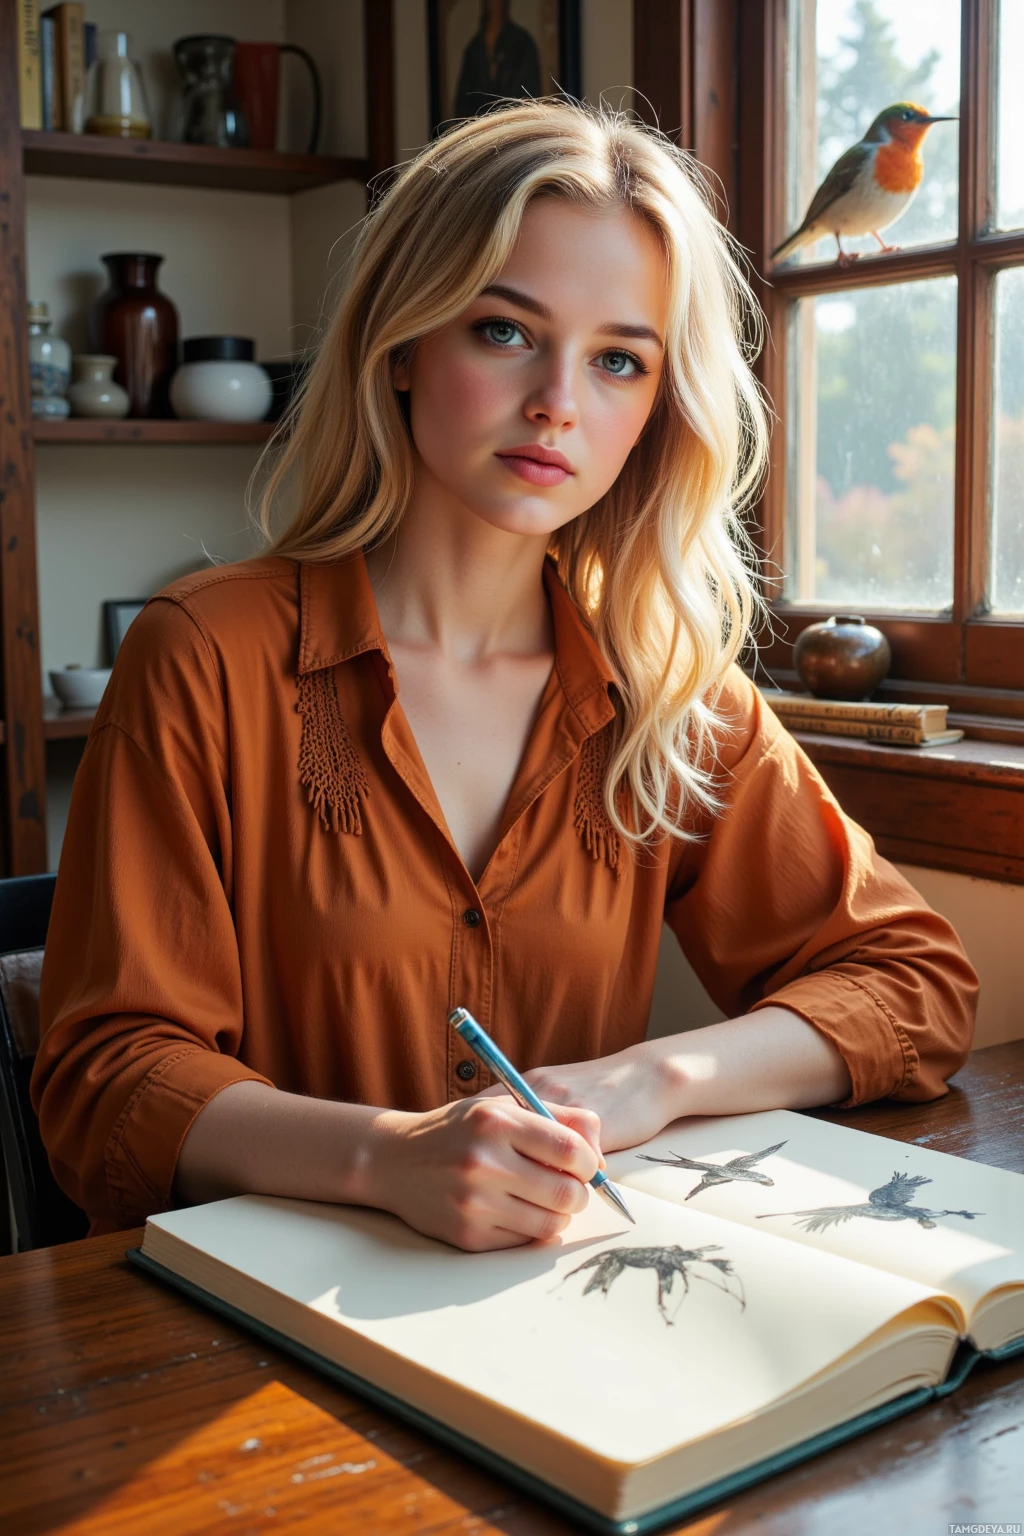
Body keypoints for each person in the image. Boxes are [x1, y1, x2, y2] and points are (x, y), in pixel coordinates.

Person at [32, 101, 977, 1249]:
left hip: (547, 1324)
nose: (557, 405)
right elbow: (105, 1082)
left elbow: (911, 983)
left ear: (656, 412)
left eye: (619, 360)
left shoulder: (665, 688)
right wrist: (389, 1157)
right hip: (248, 1353)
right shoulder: (201, 654)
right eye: (503, 331)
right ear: (401, 344)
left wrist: (651, 1081)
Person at [452, 1, 542, 121]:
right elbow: (463, 100)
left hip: (514, 124)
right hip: (479, 129)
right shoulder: (475, 47)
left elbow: (530, 94)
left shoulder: (522, 43)